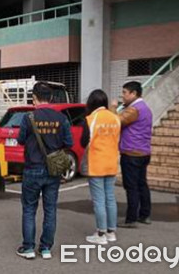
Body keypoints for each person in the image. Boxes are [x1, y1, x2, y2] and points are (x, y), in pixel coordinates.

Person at [16, 82, 73, 260]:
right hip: (53, 170)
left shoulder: (28, 117)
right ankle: (46, 248)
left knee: (29, 209)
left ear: (34, 97)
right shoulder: (61, 118)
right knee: (50, 209)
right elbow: (69, 143)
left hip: (32, 168)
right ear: (51, 98)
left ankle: (28, 248)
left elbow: (20, 140)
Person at [80, 89, 121, 244]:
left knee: (99, 199)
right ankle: (111, 232)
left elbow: (84, 141)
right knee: (110, 198)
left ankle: (101, 234)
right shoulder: (115, 118)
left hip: (96, 163)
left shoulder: (90, 119)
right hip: (111, 163)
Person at [111, 81, 153, 228]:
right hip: (144, 152)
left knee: (131, 187)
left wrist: (114, 108)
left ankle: (131, 219)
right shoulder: (145, 108)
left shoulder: (134, 109)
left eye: (124, 92)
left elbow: (116, 122)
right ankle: (145, 214)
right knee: (142, 184)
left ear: (134, 93)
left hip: (131, 153)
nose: (123, 96)